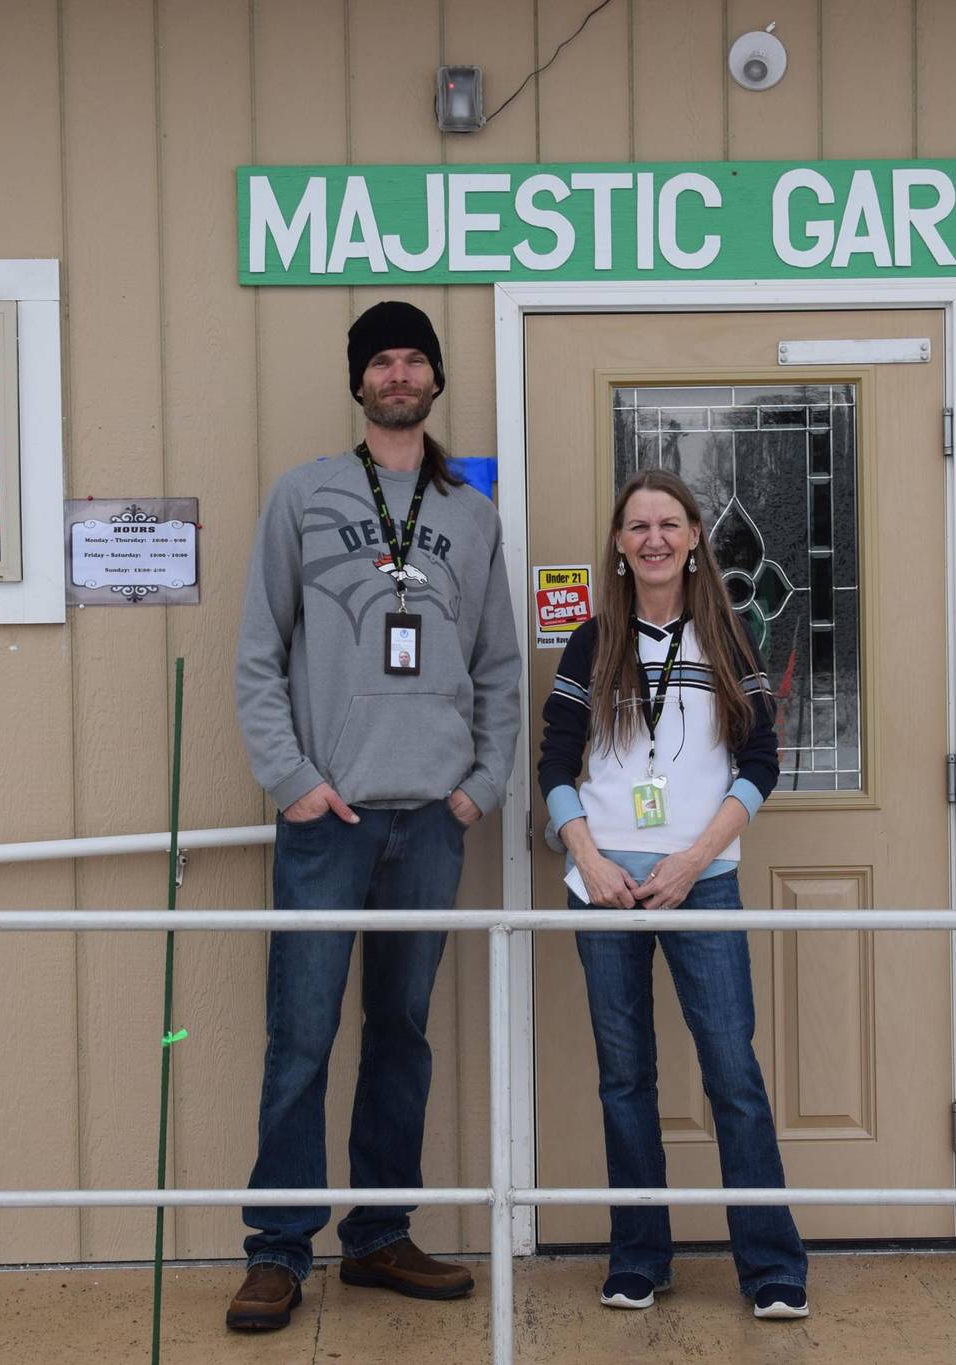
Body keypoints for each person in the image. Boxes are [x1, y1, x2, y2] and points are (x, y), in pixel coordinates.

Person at [227, 300, 522, 1332]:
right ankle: (275, 1249)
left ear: (435, 380)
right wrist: (290, 779)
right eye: (380, 361)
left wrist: (478, 786)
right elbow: (259, 652)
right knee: (298, 1036)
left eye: (413, 360)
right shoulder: (301, 496)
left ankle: (379, 1235)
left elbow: (498, 667)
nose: (397, 375)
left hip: (428, 822)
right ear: (358, 382)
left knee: (400, 1033)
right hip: (328, 818)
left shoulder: (470, 515)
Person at [536, 468, 810, 1321]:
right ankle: (639, 1257)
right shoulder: (591, 642)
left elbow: (762, 763)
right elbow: (553, 760)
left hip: (701, 883)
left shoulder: (728, 639)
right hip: (607, 889)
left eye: (668, 523)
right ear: (619, 547)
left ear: (694, 537)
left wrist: (694, 860)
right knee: (626, 1078)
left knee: (732, 1071)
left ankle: (770, 1265)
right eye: (636, 526)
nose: (652, 537)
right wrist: (585, 851)